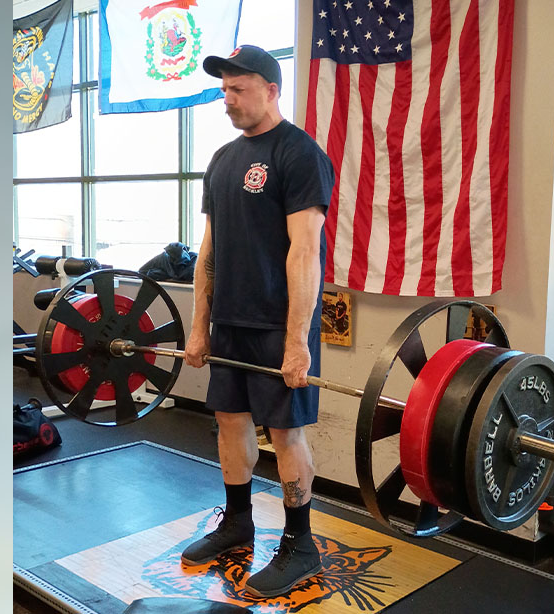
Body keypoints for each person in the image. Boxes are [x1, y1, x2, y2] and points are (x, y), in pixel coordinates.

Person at [181, 45, 335, 599]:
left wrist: (297, 342)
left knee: (284, 432)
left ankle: (300, 543)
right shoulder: (222, 160)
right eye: (224, 89)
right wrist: (199, 327)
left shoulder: (299, 155)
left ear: (271, 90)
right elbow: (209, 252)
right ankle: (238, 522)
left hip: (278, 324)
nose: (227, 99)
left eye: (238, 88)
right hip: (230, 322)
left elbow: (305, 253)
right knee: (229, 421)